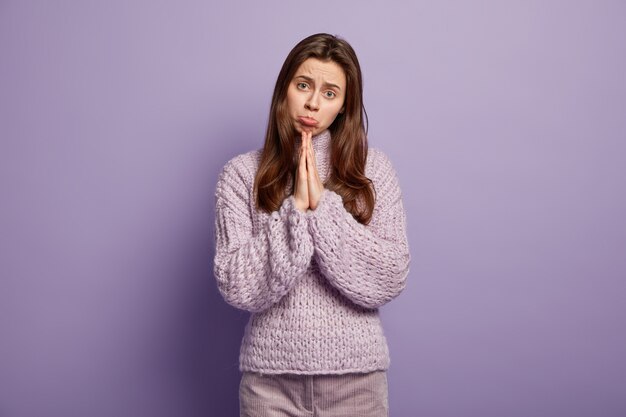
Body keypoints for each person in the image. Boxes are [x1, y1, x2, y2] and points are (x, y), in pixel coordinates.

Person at [213, 33, 410, 417]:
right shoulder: (240, 175)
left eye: (330, 93)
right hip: (269, 385)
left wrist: (322, 210)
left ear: (344, 106)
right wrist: (294, 212)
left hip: (357, 382)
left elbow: (390, 276)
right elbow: (235, 285)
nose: (313, 102)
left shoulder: (374, 171)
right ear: (284, 89)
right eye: (303, 85)